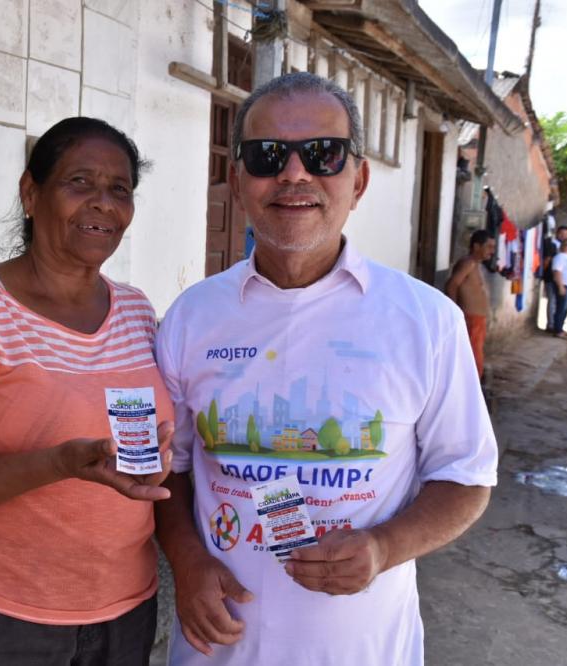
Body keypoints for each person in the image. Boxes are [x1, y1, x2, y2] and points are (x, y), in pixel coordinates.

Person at [154, 72, 497, 666]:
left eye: (323, 154)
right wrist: (188, 563)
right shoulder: (192, 317)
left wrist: (385, 546)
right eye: (267, 156)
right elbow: (170, 469)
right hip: (219, 651)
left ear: (358, 180)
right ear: (239, 181)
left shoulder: (426, 321)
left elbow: (467, 477)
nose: (294, 174)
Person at [0, 117, 175, 665]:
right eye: (80, 183)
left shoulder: (137, 311)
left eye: (119, 189)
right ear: (31, 193)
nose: (103, 203)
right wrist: (60, 464)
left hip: (126, 609)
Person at [445, 229, 497, 377]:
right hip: (470, 319)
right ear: (476, 246)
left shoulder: (475, 264)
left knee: (475, 356)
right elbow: (452, 285)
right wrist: (454, 311)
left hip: (477, 320)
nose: (492, 251)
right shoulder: (468, 263)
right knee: (472, 359)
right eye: (488, 246)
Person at [544, 226, 567, 332]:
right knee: (555, 303)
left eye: (566, 234)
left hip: (566, 283)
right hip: (554, 280)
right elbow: (550, 263)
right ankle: (553, 327)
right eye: (561, 233)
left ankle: (558, 327)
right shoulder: (554, 248)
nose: (563, 236)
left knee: (563, 307)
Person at [552, 238, 567, 338]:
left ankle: (560, 329)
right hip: (564, 285)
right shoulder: (560, 257)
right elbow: (557, 272)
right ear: (562, 246)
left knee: (565, 309)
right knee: (561, 309)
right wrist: (560, 286)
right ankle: (558, 330)